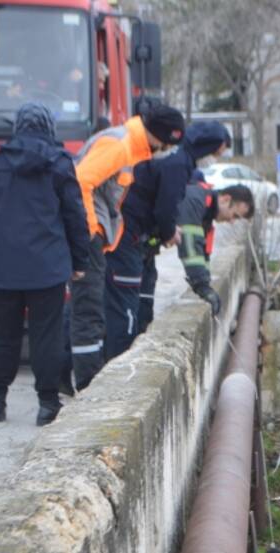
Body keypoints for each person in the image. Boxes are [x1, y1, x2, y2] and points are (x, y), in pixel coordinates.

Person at [0, 103, 89, 426]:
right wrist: (80, 260)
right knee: (46, 335)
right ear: (49, 127)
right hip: (47, 265)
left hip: (2, 264)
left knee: (3, 333)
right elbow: (74, 216)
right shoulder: (60, 162)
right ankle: (47, 404)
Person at [69, 102, 185, 391]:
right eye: (167, 143)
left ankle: (74, 378)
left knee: (87, 308)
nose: (165, 150)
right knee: (89, 310)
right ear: (157, 136)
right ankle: (87, 385)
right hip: (89, 236)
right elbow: (81, 181)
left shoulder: (128, 147)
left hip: (96, 236)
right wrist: (90, 230)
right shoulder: (119, 145)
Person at [104, 121, 231, 357]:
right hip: (129, 239)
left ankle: (124, 357)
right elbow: (165, 211)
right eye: (215, 153)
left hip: (140, 242)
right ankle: (114, 366)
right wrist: (169, 232)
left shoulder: (182, 165)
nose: (214, 159)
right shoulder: (178, 166)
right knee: (123, 311)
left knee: (137, 306)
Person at [173, 181, 255, 318]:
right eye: (234, 215)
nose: (231, 221)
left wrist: (205, 283)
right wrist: (202, 287)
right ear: (225, 199)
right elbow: (190, 245)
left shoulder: (206, 215)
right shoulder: (196, 201)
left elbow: (202, 254)